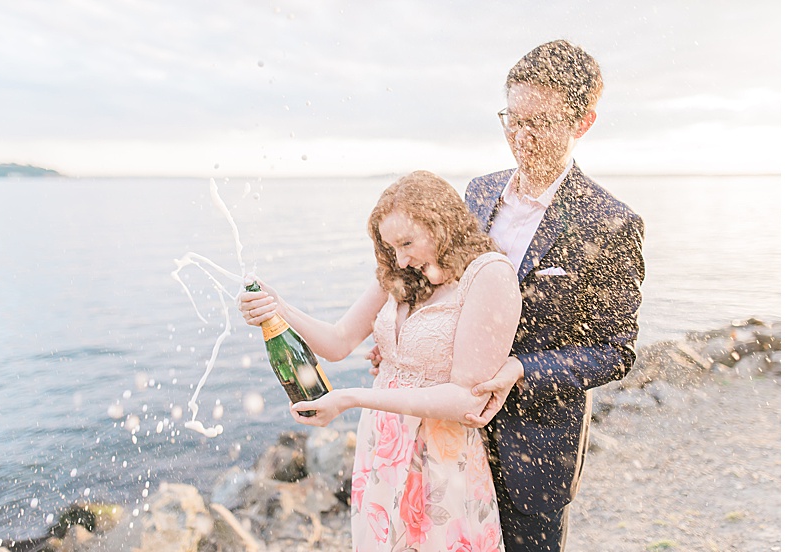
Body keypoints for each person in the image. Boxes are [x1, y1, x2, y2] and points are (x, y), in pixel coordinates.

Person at [240, 171, 521, 550]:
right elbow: (338, 342)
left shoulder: (486, 275)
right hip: (382, 447)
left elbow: (465, 400)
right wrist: (278, 307)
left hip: (440, 457)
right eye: (391, 247)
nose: (401, 258)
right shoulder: (399, 273)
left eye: (407, 242)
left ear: (443, 223)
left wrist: (352, 398)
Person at [448, 39, 648, 551]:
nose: (520, 136)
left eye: (540, 121)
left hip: (534, 451)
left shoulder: (611, 222)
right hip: (452, 429)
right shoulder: (477, 193)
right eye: (511, 118)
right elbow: (447, 290)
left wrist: (520, 370)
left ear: (583, 122)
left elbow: (614, 350)